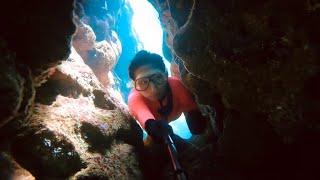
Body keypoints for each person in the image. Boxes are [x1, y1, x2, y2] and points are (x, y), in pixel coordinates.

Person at [127, 50, 208, 179]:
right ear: (134, 85)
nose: (153, 89)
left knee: (197, 127)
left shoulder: (176, 85)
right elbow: (144, 116)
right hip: (157, 130)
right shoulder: (135, 98)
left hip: (165, 125)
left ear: (166, 75)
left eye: (157, 78)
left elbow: (196, 119)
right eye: (143, 82)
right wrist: (151, 125)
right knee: (154, 148)